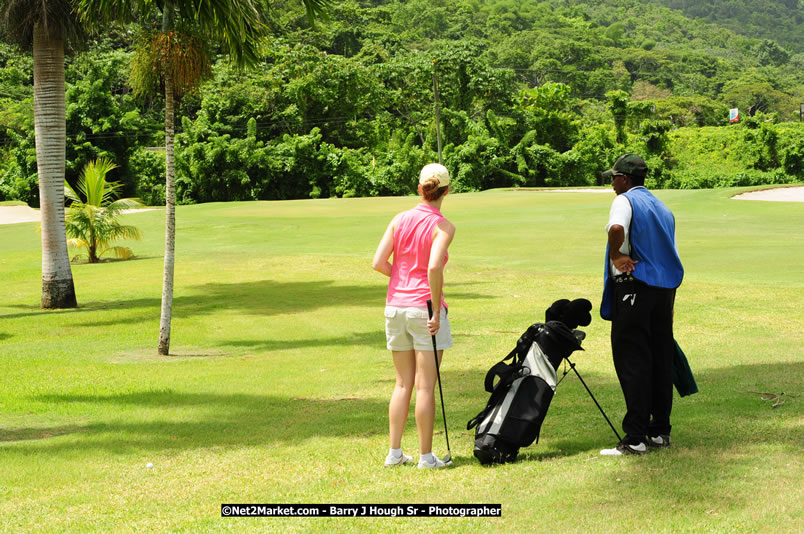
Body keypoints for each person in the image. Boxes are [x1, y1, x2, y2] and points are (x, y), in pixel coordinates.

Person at [598, 154, 684, 456]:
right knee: (660, 360)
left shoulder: (625, 200)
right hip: (663, 293)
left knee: (633, 360)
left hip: (635, 289)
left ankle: (634, 437)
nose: (612, 183)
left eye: (613, 178)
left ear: (624, 179)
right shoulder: (662, 206)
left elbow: (616, 230)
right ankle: (660, 431)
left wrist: (616, 256)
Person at [372, 163, 456, 469]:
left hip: (395, 307)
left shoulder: (399, 219)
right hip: (423, 308)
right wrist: (434, 308)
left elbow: (379, 262)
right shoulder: (443, 226)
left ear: (420, 188)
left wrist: (401, 281)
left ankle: (394, 453)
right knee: (424, 386)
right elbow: (434, 267)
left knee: (402, 384)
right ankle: (425, 457)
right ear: (447, 190)